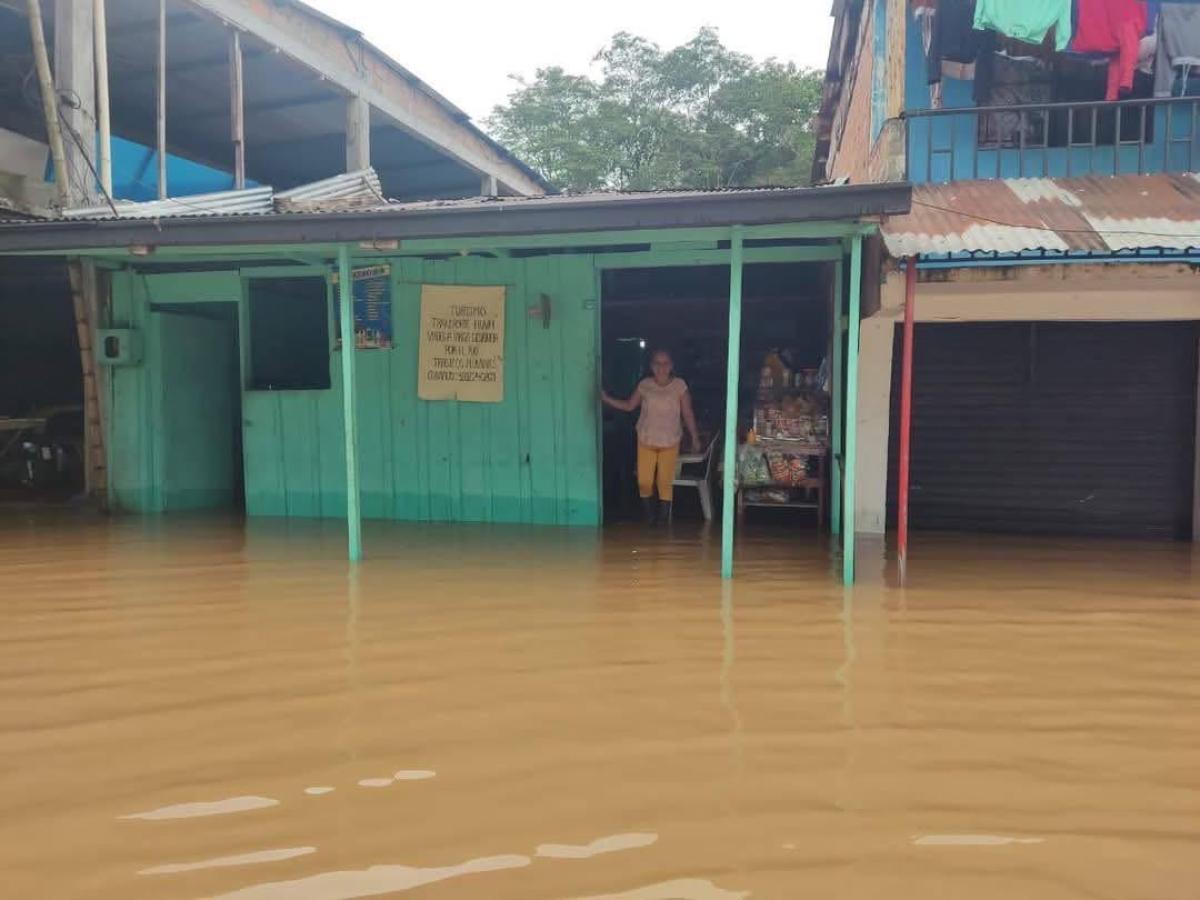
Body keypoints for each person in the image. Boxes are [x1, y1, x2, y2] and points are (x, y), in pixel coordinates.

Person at [601, 349, 701, 524]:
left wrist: (694, 437)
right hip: (646, 439)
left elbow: (688, 413)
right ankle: (649, 516)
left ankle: (662, 523)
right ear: (651, 366)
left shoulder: (679, 386)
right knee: (644, 482)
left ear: (671, 366)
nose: (661, 367)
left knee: (664, 483)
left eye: (665, 363)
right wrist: (607, 399)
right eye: (657, 363)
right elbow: (629, 406)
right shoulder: (645, 385)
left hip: (670, 440)